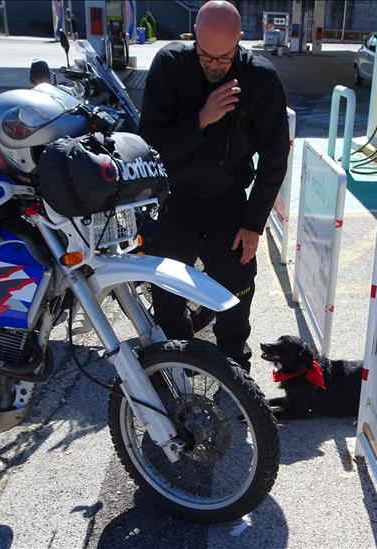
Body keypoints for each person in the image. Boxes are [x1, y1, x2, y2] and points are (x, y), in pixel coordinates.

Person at [139, 0, 289, 372]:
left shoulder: (261, 78)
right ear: (194, 39)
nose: (214, 67)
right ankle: (178, 363)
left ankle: (235, 367)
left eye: (224, 59)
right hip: (177, 198)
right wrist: (202, 119)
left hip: (229, 202)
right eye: (205, 56)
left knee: (236, 290)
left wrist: (254, 224)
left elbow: (274, 161)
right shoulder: (172, 65)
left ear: (239, 42)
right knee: (168, 290)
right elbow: (151, 142)